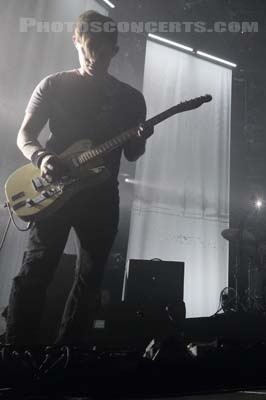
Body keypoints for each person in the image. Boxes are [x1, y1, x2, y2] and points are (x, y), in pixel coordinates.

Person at [5, 10, 152, 346]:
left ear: (115, 49)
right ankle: (16, 349)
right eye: (90, 48)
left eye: (104, 50)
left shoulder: (131, 100)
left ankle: (67, 354)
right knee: (37, 270)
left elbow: (132, 155)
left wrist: (141, 138)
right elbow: (25, 135)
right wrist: (42, 158)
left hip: (101, 195)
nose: (96, 57)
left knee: (90, 278)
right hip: (54, 190)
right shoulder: (54, 84)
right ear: (76, 41)